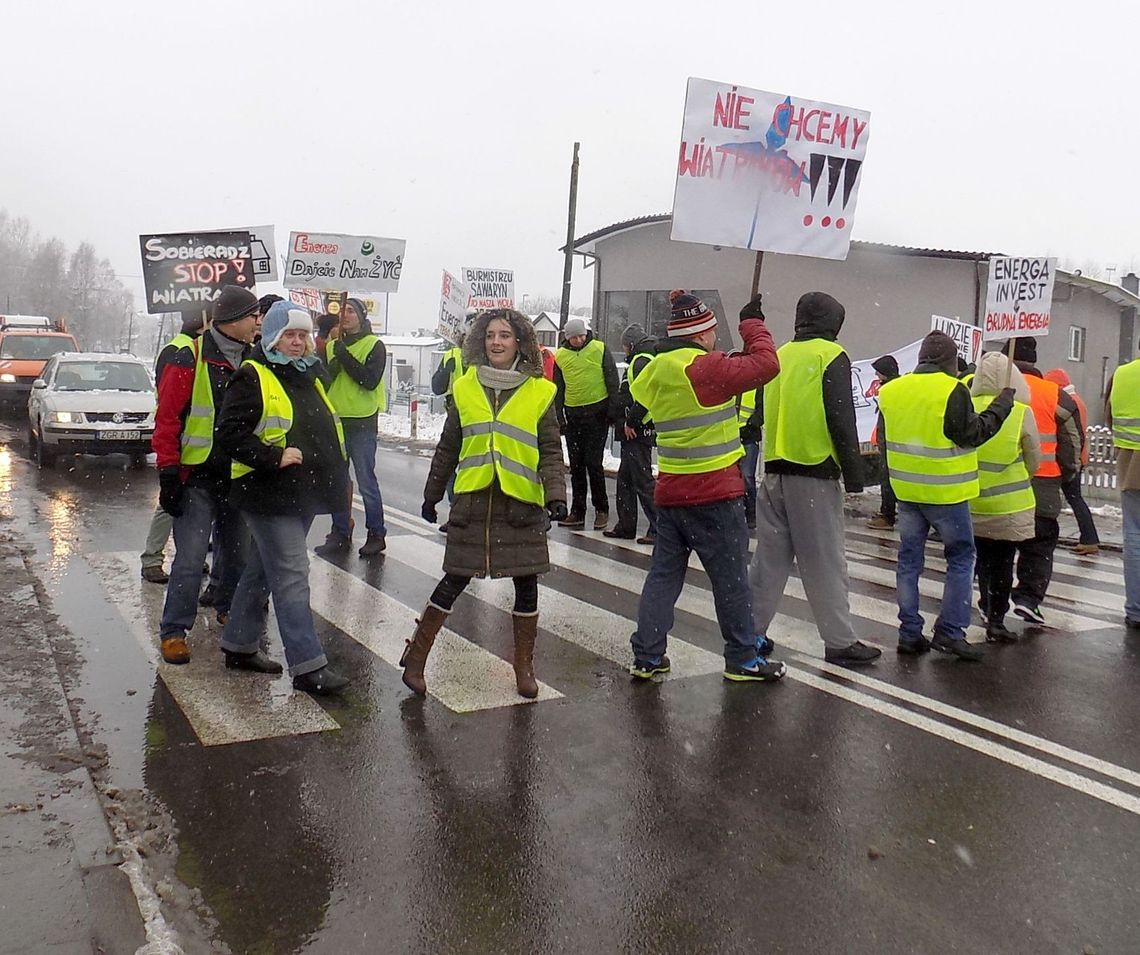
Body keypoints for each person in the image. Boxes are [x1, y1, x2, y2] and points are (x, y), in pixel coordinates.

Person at [406, 309, 567, 698]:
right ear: (481, 340)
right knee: (454, 579)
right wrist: (432, 494)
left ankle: (524, 668)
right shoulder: (464, 387)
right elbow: (449, 446)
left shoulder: (540, 391)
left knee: (527, 586)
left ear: (519, 343)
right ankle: (415, 658)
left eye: (505, 336)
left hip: (520, 504)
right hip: (474, 501)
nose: (496, 342)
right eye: (491, 335)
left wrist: (556, 495)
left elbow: (549, 449)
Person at [629, 291, 786, 683]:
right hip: (714, 492)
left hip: (671, 492)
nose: (716, 337)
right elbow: (767, 364)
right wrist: (752, 324)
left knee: (664, 577)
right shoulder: (703, 369)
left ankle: (647, 655)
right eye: (713, 331)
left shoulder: (654, 370)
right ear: (699, 335)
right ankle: (743, 657)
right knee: (730, 580)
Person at [215, 302, 350, 695]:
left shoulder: (311, 375)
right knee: (292, 574)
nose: (297, 342)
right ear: (272, 337)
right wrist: (273, 457)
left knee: (261, 570)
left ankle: (239, 644)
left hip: (302, 493)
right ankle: (308, 666)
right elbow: (229, 433)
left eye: (303, 335)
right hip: (267, 492)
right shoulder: (252, 375)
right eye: (289, 335)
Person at [750, 291, 880, 666]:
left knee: (768, 562)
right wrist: (855, 475)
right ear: (832, 324)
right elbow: (841, 418)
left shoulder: (779, 356)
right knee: (824, 561)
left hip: (774, 470)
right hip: (814, 471)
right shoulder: (830, 356)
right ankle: (839, 641)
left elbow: (759, 412)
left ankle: (750, 633)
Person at [876, 331, 1015, 661]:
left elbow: (885, 442)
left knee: (909, 561)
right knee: (961, 558)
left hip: (907, 491)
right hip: (946, 492)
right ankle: (950, 632)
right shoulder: (953, 390)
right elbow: (970, 434)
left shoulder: (891, 391)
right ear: (950, 362)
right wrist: (1001, 407)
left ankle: (909, 632)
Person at [152, 285, 259, 665]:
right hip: (196, 477)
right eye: (252, 315)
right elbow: (167, 419)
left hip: (238, 477)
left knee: (236, 554)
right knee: (191, 556)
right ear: (231, 320)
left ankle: (229, 608)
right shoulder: (189, 356)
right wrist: (168, 473)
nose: (258, 322)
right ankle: (174, 631)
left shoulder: (254, 359)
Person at [1008, 338, 1082, 626]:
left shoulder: (990, 391)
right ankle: (1028, 599)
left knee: (996, 547)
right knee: (1038, 546)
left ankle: (991, 601)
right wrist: (1069, 472)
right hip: (1044, 485)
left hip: (998, 485)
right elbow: (1072, 443)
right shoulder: (1056, 395)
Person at [969, 352, 1040, 643]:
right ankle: (996, 620)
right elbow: (1034, 457)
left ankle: (983, 604)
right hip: (1008, 505)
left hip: (971, 500)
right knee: (1002, 563)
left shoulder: (966, 406)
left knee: (980, 559)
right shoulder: (1021, 411)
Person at [316, 297, 389, 558]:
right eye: (342, 311)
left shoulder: (374, 345)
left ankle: (376, 533)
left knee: (366, 480)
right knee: (337, 480)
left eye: (350, 311)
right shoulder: (333, 346)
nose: (345, 315)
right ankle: (340, 531)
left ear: (361, 316)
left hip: (362, 422)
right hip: (336, 421)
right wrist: (331, 354)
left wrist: (343, 355)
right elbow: (324, 380)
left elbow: (368, 380)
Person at [140, 310, 206, 584]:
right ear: (203, 322)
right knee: (170, 503)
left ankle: (190, 556)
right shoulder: (182, 350)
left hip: (185, 433)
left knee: (184, 504)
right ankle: (152, 558)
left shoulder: (183, 347)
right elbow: (172, 398)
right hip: (180, 434)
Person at [553, 317, 619, 530]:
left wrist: (612, 412)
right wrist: (559, 417)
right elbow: (558, 388)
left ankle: (602, 509)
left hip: (597, 413)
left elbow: (612, 380)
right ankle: (577, 511)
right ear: (567, 338)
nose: (579, 340)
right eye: (574, 337)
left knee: (593, 463)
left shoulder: (599, 349)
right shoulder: (560, 356)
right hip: (573, 415)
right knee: (576, 465)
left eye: (581, 335)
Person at [603, 323, 657, 544]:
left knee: (643, 481)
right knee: (625, 480)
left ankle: (657, 528)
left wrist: (631, 422)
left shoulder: (642, 361)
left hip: (637, 429)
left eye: (625, 345)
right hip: (633, 428)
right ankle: (626, 526)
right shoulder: (642, 360)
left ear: (631, 344)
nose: (624, 350)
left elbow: (644, 396)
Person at [1044, 367, 1100, 555]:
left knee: (1074, 498)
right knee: (1074, 498)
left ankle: (1090, 538)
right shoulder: (1078, 401)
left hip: (1071, 459)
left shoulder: (1067, 402)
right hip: (1078, 457)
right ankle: (1089, 538)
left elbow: (1070, 436)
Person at [1106, 354, 1140, 628]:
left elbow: (1109, 417)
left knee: (1134, 536)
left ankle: (1136, 609)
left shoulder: (1121, 374)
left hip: (1130, 463)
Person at [866, 354, 900, 531]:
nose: (877, 377)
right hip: (892, 441)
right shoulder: (896, 388)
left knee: (887, 480)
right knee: (888, 479)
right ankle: (887, 514)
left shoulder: (890, 390)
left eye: (879, 373)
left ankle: (887, 516)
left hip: (891, 442)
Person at [734, 364, 762, 532]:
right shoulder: (732, 385)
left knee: (746, 476)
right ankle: (741, 512)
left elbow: (761, 412)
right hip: (732, 436)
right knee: (734, 478)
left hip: (748, 437)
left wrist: (749, 426)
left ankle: (751, 513)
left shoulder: (757, 385)